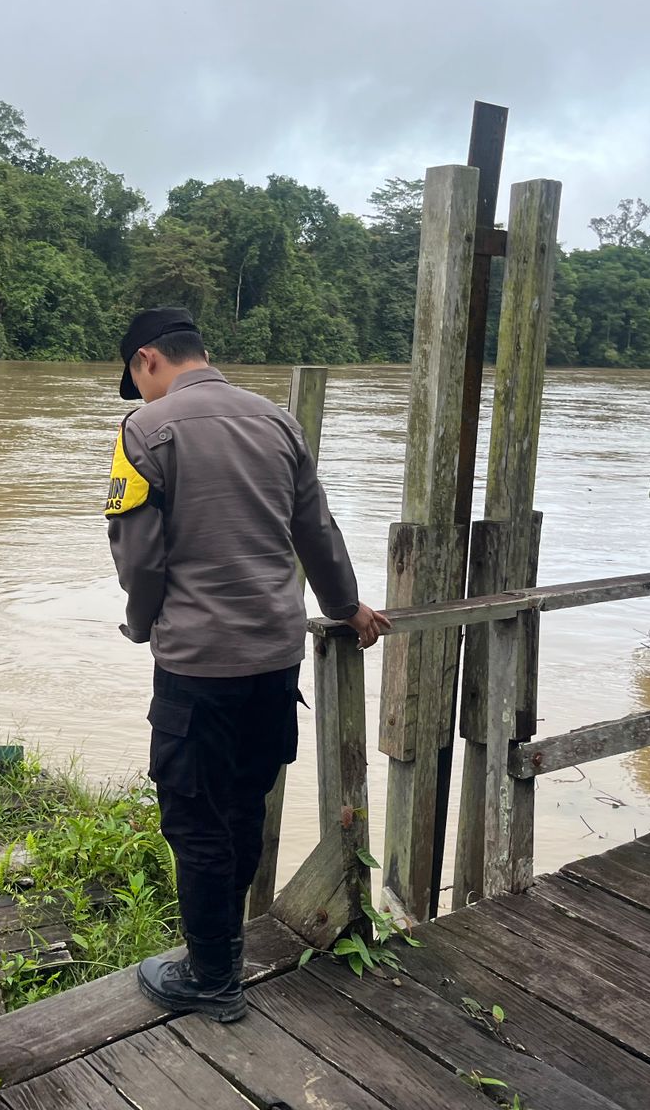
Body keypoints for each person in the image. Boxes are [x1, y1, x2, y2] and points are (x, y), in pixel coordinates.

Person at [104, 305, 389, 1022]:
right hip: (273, 659)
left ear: (148, 361)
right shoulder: (277, 421)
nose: (140, 394)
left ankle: (213, 982)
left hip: (197, 666)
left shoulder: (145, 430)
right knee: (240, 811)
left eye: (137, 380)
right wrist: (347, 606)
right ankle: (222, 956)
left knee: (194, 819)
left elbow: (139, 561)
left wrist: (142, 626)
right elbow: (316, 530)